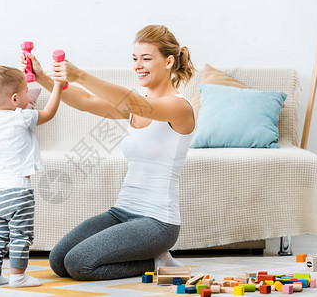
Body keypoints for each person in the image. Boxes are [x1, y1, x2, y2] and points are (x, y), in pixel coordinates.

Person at [20, 24, 196, 281]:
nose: (138, 65)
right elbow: (87, 102)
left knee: (79, 263)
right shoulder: (137, 104)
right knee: (59, 260)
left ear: (169, 61)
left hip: (158, 222)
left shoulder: (178, 107)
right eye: (135, 59)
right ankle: (151, 258)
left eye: (147, 59)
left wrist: (80, 75)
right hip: (122, 212)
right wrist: (44, 77)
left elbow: (138, 104)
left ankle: (156, 260)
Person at [0, 65, 64, 287]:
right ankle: (18, 276)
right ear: (15, 99)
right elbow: (49, 113)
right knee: (20, 235)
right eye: (27, 91)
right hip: (18, 190)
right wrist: (57, 86)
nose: (29, 95)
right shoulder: (21, 117)